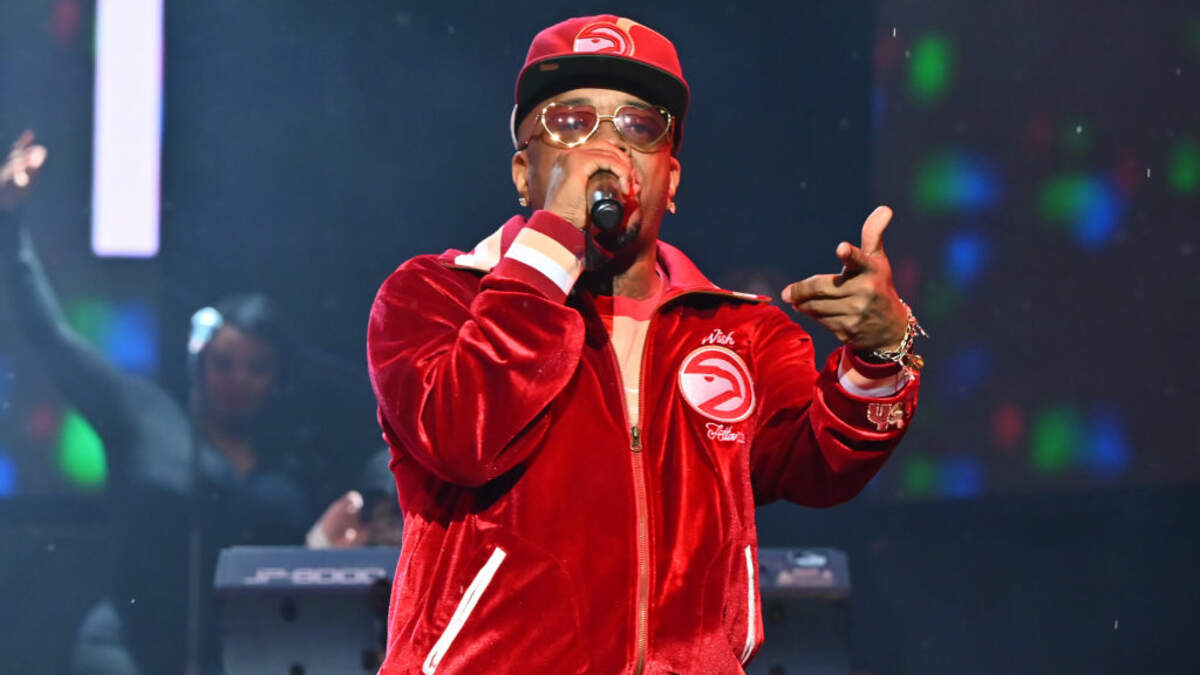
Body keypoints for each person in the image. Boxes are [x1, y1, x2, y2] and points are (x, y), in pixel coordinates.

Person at [367, 15, 925, 674]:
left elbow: (818, 466)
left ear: (673, 179)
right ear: (524, 172)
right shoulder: (435, 295)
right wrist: (553, 241)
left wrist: (881, 354)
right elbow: (463, 436)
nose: (606, 146)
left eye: (638, 126)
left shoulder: (742, 331)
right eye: (571, 123)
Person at [0, 132, 314, 674]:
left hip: (229, 655)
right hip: (122, 651)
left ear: (276, 378)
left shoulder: (290, 465)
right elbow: (51, 336)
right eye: (223, 362)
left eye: (256, 367)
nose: (237, 379)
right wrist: (8, 220)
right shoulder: (146, 416)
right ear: (199, 361)